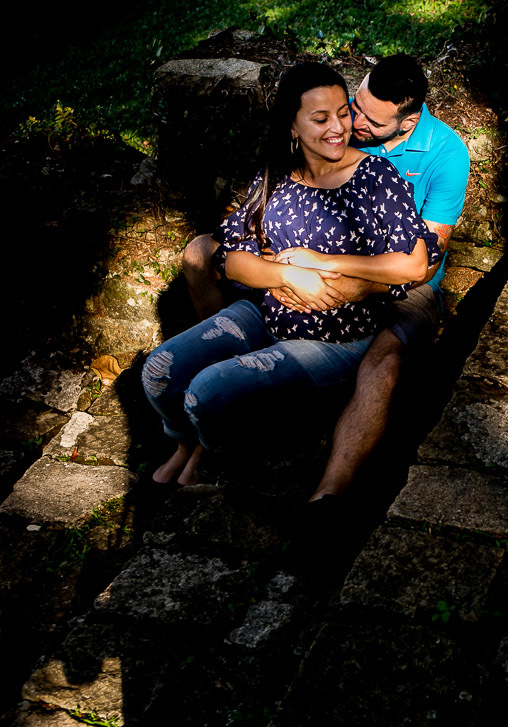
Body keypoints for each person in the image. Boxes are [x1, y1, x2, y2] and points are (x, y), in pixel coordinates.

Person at [180, 54, 469, 503]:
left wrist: (337, 274)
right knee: (202, 252)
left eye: (367, 120)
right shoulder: (336, 128)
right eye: (352, 105)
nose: (351, 123)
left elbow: (423, 262)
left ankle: (331, 493)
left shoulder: (446, 155)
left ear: (408, 120)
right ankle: (242, 379)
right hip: (305, 263)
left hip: (402, 286)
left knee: (384, 360)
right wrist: (283, 271)